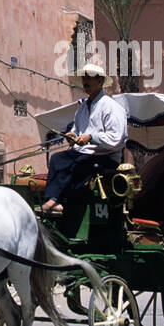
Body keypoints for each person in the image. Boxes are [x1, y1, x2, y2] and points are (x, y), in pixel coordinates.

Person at [41, 63, 127, 215]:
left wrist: (91, 137)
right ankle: (53, 199)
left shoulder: (111, 106)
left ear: (100, 81)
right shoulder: (82, 107)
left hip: (105, 157)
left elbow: (116, 138)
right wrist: (72, 136)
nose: (85, 81)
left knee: (76, 164)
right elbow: (77, 130)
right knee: (57, 159)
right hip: (83, 153)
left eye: (89, 78)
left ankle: (57, 200)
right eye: (84, 78)